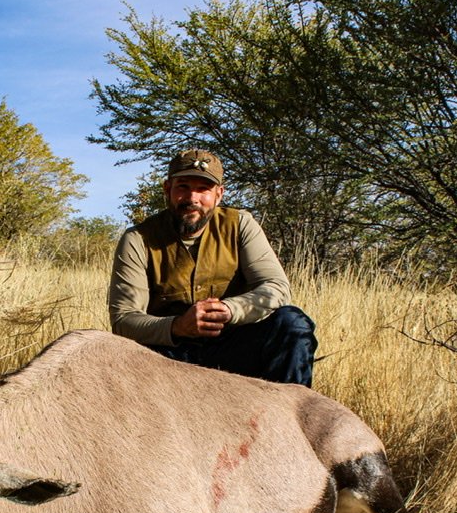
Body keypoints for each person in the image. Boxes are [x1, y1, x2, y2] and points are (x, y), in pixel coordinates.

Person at [108, 148, 317, 386]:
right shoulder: (138, 239)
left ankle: (292, 415)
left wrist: (230, 310)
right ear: (168, 190)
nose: (192, 198)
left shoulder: (240, 224)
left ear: (219, 194)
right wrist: (177, 326)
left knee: (292, 324)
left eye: (203, 189)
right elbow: (124, 320)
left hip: (233, 347)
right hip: (168, 356)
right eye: (183, 187)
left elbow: (276, 288)